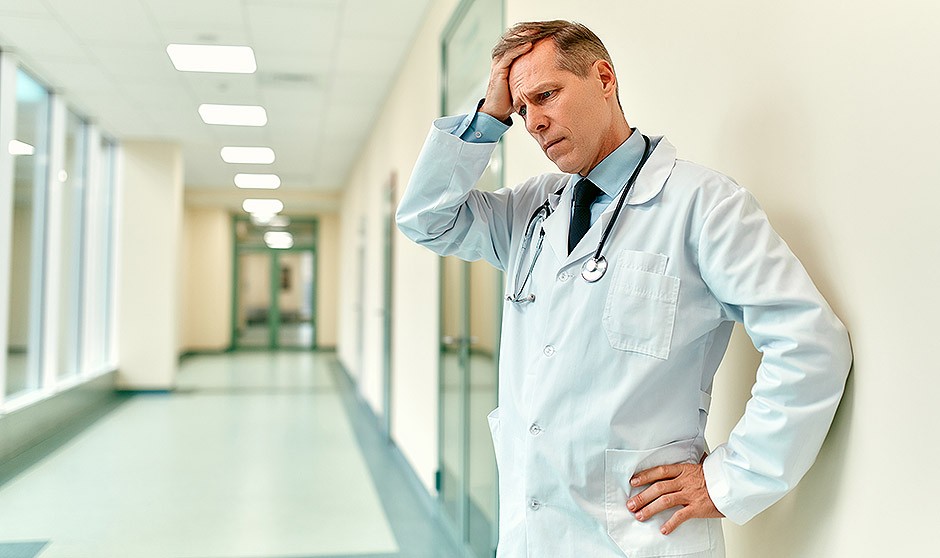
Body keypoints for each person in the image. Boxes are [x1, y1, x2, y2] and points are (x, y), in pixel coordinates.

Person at [396, 20, 851, 558]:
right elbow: (427, 218)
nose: (535, 123)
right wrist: (487, 119)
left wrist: (732, 479)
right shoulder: (532, 211)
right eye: (521, 112)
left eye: (546, 95)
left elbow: (811, 343)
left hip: (643, 536)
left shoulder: (702, 205)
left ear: (604, 77)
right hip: (532, 533)